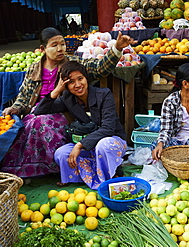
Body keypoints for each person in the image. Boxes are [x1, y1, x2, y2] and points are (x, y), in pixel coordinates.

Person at [0, 27, 136, 178]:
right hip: (41, 109)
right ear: (42, 49)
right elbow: (24, 96)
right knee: (24, 122)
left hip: (63, 112)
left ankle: (51, 168)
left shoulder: (73, 63)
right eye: (54, 45)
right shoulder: (34, 69)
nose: (60, 49)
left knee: (38, 122)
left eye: (62, 44)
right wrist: (16, 108)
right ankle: (24, 168)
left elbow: (99, 69)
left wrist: (116, 48)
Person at [34, 61, 127, 189]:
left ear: (86, 78)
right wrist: (57, 90)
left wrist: (80, 145)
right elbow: (40, 111)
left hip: (111, 142)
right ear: (66, 85)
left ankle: (104, 179)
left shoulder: (104, 95)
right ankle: (92, 175)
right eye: (71, 82)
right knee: (61, 154)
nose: (78, 85)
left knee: (103, 145)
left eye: (80, 79)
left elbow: (108, 128)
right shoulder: (68, 98)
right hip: (89, 146)